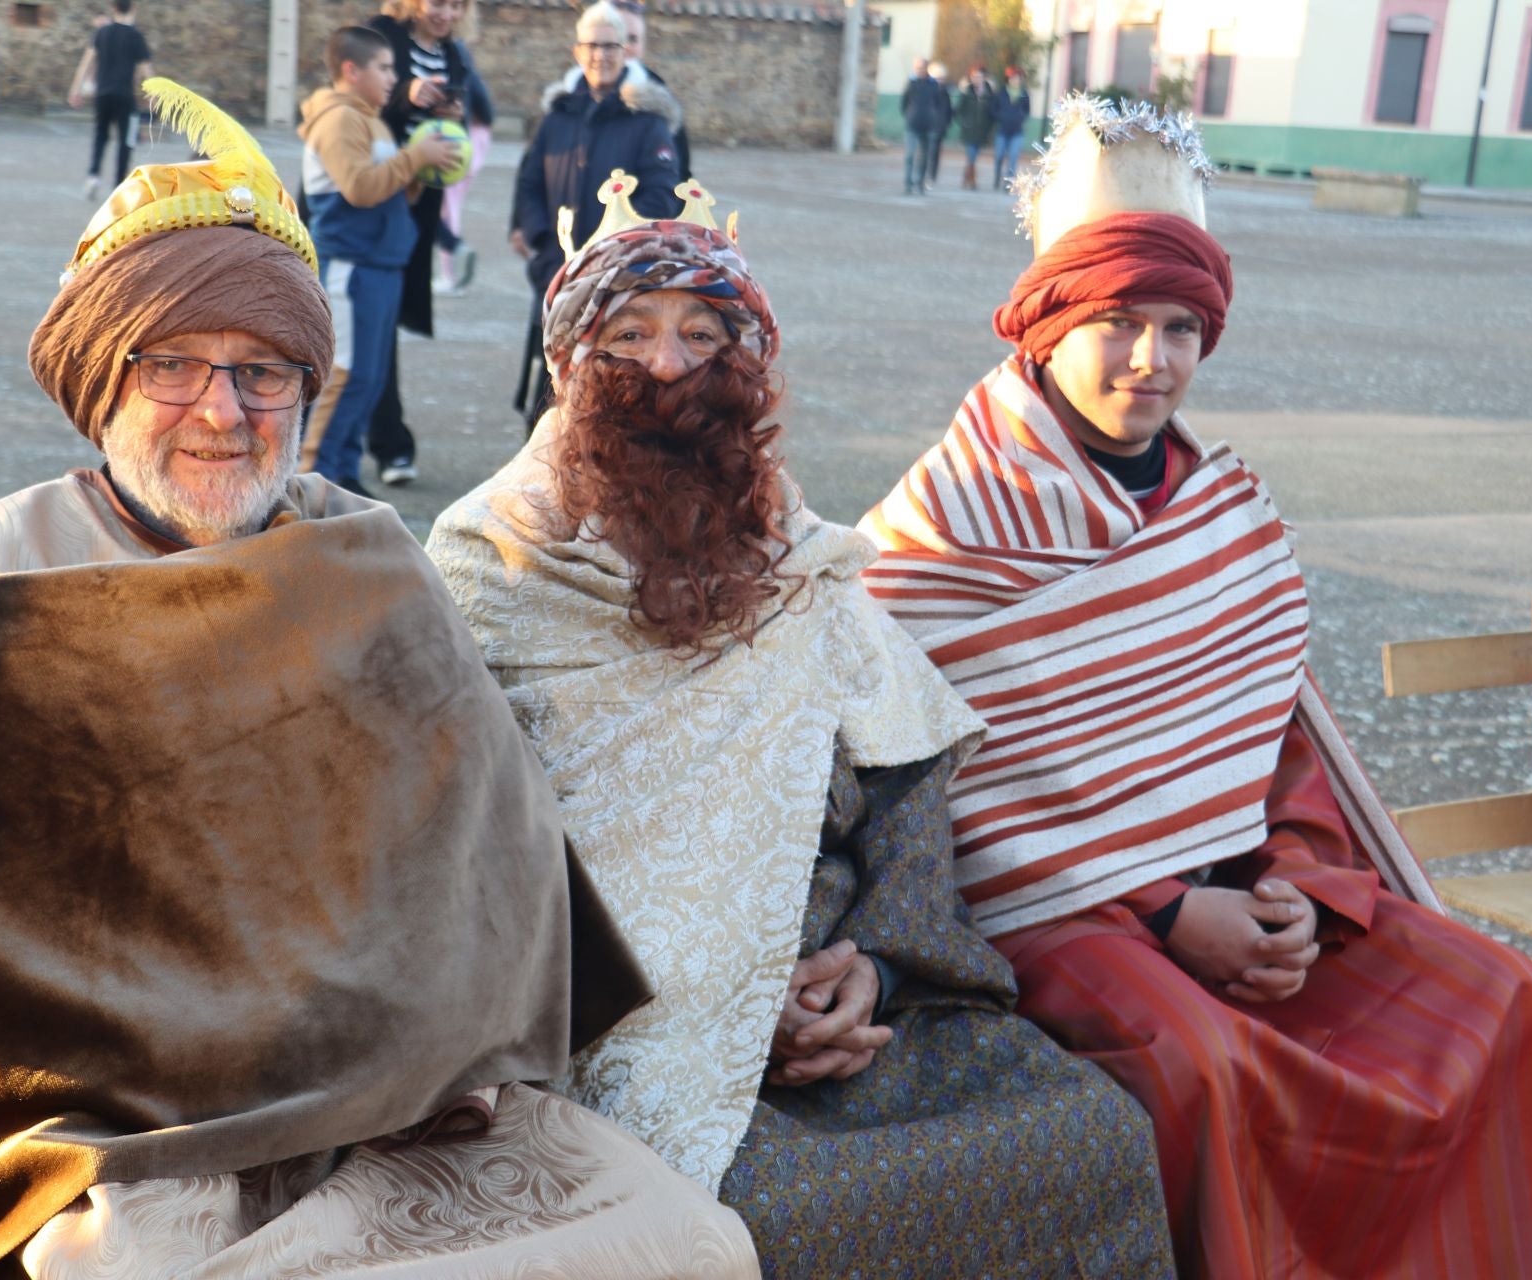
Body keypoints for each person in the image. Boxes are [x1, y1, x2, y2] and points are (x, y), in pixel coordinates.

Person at [0, 80, 760, 1280]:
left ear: (307, 388)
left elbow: (474, 860)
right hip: (99, 1113)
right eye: (171, 363)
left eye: (265, 371)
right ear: (100, 381)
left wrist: (384, 1031)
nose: (222, 413)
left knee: (683, 1238)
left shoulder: (368, 557)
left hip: (373, 1098)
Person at [858, 94, 1532, 1279]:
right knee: (1199, 1060)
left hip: (1243, 879)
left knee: (1496, 992)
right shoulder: (939, 527)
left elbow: (1275, 745)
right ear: (1046, 324)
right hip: (1058, 915)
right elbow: (933, 789)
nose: (1153, 360)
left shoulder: (1225, 513)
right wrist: (1165, 911)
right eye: (1119, 322)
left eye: (1182, 326)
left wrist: (1297, 885)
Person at [427, 173, 1176, 1279]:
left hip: (840, 998)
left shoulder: (799, 555)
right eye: (628, 335)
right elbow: (458, 852)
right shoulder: (489, 564)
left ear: (751, 364)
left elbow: (904, 780)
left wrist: (872, 964)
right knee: (769, 1224)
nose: (671, 367)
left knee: (1094, 1136)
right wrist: (721, 997)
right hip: (618, 1029)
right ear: (569, 368)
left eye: (703, 333)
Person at [297, 26, 464, 494]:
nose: (396, 76)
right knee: (346, 377)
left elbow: (388, 189)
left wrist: (426, 165)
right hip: (351, 266)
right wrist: (414, 157)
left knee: (369, 381)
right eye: (386, 67)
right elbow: (359, 187)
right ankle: (313, 479)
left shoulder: (369, 118)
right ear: (352, 70)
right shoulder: (339, 120)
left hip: (381, 265)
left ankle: (343, 474)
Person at [510, 2, 681, 432]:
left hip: (617, 277)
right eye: (592, 46)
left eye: (610, 46)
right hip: (557, 272)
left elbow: (662, 197)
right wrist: (536, 236)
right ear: (577, 51)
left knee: (609, 390)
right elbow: (529, 183)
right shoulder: (557, 117)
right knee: (547, 386)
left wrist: (620, 253)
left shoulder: (648, 121)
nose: (600, 55)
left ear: (625, 52)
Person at [360, 0, 472, 488]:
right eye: (438, 3)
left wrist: (453, 114)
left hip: (414, 207)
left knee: (383, 326)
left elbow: (450, 126)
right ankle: (387, 445)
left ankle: (381, 444)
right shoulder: (380, 34)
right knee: (367, 327)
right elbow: (353, 102)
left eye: (457, 4)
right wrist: (406, 91)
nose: (446, 13)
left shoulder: (454, 54)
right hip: (367, 201)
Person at [561, 0, 693, 180]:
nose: (625, 47)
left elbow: (678, 175)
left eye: (633, 39)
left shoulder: (661, 102)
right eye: (615, 39)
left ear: (643, 46)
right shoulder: (564, 98)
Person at [67, 0, 151, 198]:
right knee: (127, 140)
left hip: (103, 94)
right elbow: (147, 70)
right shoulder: (136, 36)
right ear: (133, 8)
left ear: (113, 9)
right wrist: (153, 95)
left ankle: (93, 175)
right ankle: (118, 186)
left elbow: (85, 63)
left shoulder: (101, 33)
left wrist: (75, 90)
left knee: (100, 135)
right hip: (125, 97)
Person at [434, 56, 493, 295]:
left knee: (448, 211)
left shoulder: (458, 73)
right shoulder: (469, 73)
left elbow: (485, 111)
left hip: (459, 147)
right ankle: (451, 265)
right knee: (449, 209)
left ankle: (452, 270)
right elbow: (486, 112)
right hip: (471, 146)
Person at [901, 56, 951, 194]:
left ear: (926, 68)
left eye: (921, 68)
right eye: (917, 68)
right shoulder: (911, 83)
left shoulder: (933, 85)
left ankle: (920, 183)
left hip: (928, 126)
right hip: (912, 124)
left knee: (924, 157)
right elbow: (904, 102)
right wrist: (909, 115)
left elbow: (939, 104)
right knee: (909, 155)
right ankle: (908, 184)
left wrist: (934, 119)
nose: (919, 70)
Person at [953, 63, 993, 191]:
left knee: (974, 156)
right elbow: (958, 110)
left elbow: (992, 112)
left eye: (979, 76)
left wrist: (989, 126)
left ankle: (966, 176)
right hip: (969, 130)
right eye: (974, 76)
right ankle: (972, 180)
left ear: (984, 77)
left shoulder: (989, 93)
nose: (977, 79)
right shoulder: (967, 92)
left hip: (982, 131)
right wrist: (964, 122)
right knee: (972, 155)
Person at [991, 66, 1031, 190]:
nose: (1016, 80)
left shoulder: (1024, 94)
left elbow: (1027, 110)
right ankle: (997, 176)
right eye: (1013, 78)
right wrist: (1000, 117)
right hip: (1002, 130)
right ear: (1008, 79)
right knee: (999, 155)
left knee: (1013, 157)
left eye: (1018, 78)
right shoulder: (1001, 93)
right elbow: (993, 109)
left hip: (1017, 131)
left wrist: (1021, 117)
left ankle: (1009, 183)